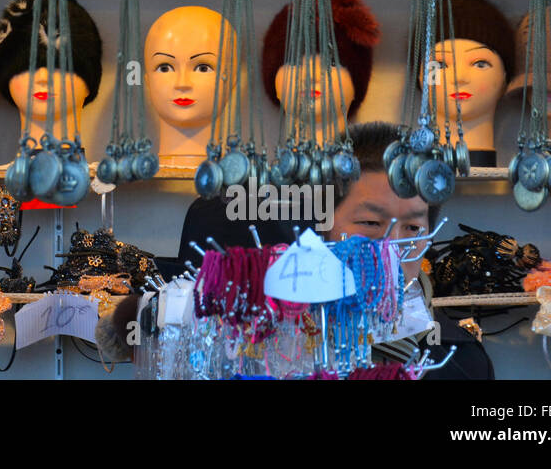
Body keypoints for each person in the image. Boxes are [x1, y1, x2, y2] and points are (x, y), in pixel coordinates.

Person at [161, 121, 493, 379]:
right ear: (322, 228)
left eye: (412, 229)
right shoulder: (271, 350)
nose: (390, 249)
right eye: (370, 224)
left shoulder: (458, 360)